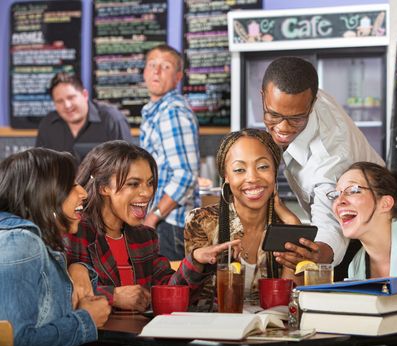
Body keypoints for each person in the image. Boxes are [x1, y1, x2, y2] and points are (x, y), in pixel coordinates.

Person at [63, 140, 239, 312]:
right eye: (133, 184)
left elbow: (168, 292)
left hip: (140, 339)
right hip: (99, 341)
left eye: (149, 183)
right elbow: (58, 293)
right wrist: (113, 296)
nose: (147, 192)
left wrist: (196, 259)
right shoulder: (74, 233)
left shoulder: (144, 237)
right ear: (103, 187)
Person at [261, 56, 384, 276]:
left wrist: (323, 252)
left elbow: (332, 220)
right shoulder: (304, 94)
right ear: (263, 97)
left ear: (312, 102)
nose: (283, 127)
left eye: (296, 118)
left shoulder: (331, 155)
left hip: (370, 233)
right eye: (274, 114)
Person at [0, 148, 111, 346]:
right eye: (70, 185)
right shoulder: (21, 243)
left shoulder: (28, 239)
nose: (84, 192)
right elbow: (14, 342)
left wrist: (79, 268)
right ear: (42, 194)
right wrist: (86, 320)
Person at [184, 129, 301, 310]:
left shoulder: (285, 225)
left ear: (275, 170)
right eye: (239, 169)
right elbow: (195, 300)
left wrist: (293, 225)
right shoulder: (202, 221)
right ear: (226, 176)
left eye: (263, 167)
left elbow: (288, 305)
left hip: (269, 334)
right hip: (217, 331)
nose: (252, 178)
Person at [329, 162, 397, 317]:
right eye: (335, 194)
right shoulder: (357, 264)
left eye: (353, 190)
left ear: (385, 203)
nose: (339, 201)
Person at [140, 44, 200, 261]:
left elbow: (185, 174)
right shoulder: (156, 111)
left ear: (177, 77)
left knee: (170, 293)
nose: (156, 71)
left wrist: (153, 217)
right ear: (144, 71)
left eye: (165, 66)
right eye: (152, 65)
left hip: (169, 225)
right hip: (163, 223)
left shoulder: (172, 112)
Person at [36, 72, 132, 163]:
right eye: (60, 101)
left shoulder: (112, 120)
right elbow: (40, 169)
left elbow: (126, 166)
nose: (67, 105)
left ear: (85, 95)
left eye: (71, 98)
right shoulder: (47, 125)